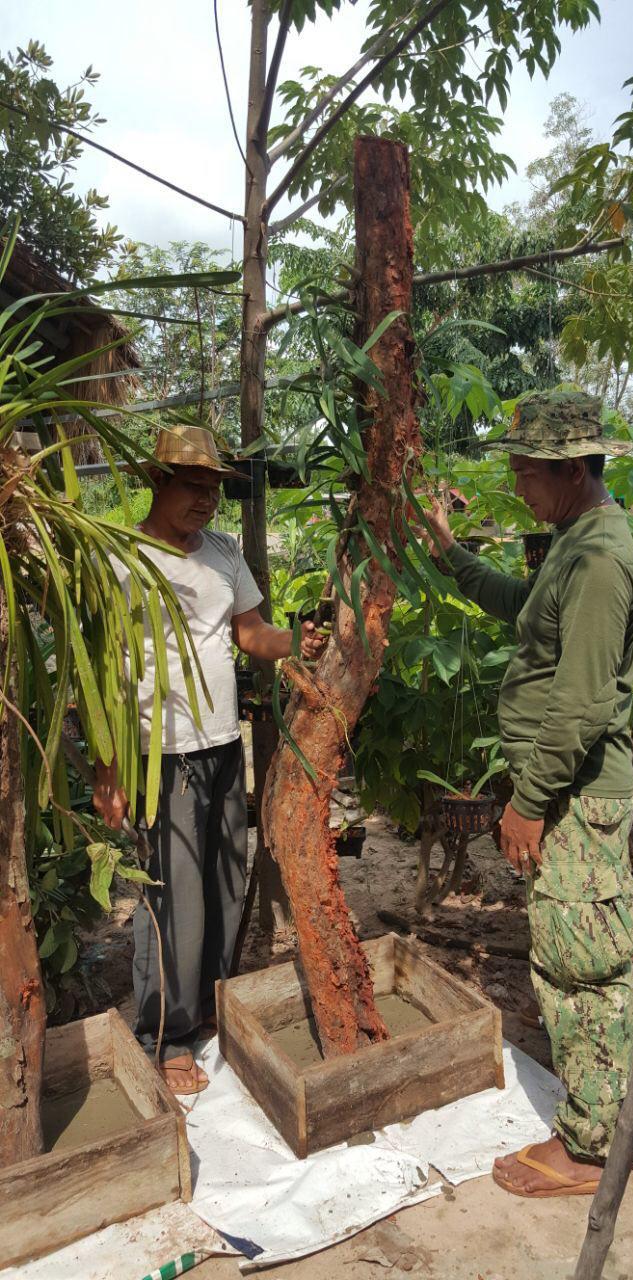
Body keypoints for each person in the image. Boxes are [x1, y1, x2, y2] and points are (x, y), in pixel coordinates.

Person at [422, 390, 633, 1197]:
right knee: (568, 957)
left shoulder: (599, 558)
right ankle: (594, 1108)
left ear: (572, 469)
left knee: (582, 967)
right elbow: (525, 615)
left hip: (578, 797)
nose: (516, 485)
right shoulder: (571, 542)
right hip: (567, 794)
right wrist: (451, 553)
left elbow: (582, 699)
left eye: (524, 471)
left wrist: (528, 800)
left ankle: (591, 1150)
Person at [93, 424, 325, 1094]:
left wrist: (296, 644)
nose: (206, 501)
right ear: (157, 483)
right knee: (173, 902)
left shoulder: (223, 551)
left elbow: (249, 632)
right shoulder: (122, 556)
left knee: (223, 890)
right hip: (155, 754)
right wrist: (109, 772)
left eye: (214, 489)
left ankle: (208, 1015)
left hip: (222, 745)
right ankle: (164, 1034)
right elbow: (103, 670)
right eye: (192, 486)